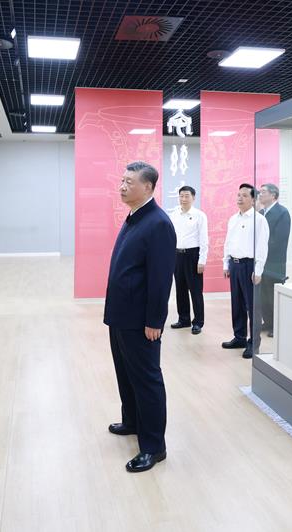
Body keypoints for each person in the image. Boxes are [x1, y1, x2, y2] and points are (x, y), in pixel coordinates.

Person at [104, 161, 176, 473]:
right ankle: (132, 420)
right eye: (122, 180)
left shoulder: (158, 223)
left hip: (140, 320)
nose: (122, 186)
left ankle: (154, 447)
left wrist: (155, 321)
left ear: (147, 187)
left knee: (146, 379)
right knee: (125, 373)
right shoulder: (134, 216)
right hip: (121, 314)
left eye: (129, 182)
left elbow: (160, 278)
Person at [221, 184, 269, 359]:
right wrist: (226, 264)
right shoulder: (233, 219)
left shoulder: (259, 220)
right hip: (234, 265)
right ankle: (239, 337)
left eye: (244, 195)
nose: (240, 198)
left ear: (253, 199)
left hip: (250, 266)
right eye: (238, 195)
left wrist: (258, 270)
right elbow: (228, 242)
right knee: (237, 304)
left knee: (252, 307)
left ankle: (253, 343)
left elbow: (262, 246)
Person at [168, 186, 209, 335]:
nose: (183, 199)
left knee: (195, 290)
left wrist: (202, 260)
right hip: (177, 255)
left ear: (193, 198)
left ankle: (198, 322)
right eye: (181, 196)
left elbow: (204, 239)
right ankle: (183, 319)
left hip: (193, 255)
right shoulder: (174, 214)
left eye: (187, 196)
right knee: (180, 289)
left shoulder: (199, 215)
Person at [257, 184, 290, 336]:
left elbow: (280, 239)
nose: (260, 194)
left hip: (274, 261)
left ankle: (276, 325)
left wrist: (261, 248)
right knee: (263, 294)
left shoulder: (282, 212)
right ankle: (268, 322)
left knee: (273, 294)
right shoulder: (261, 213)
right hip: (261, 260)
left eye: (263, 192)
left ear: (273, 195)